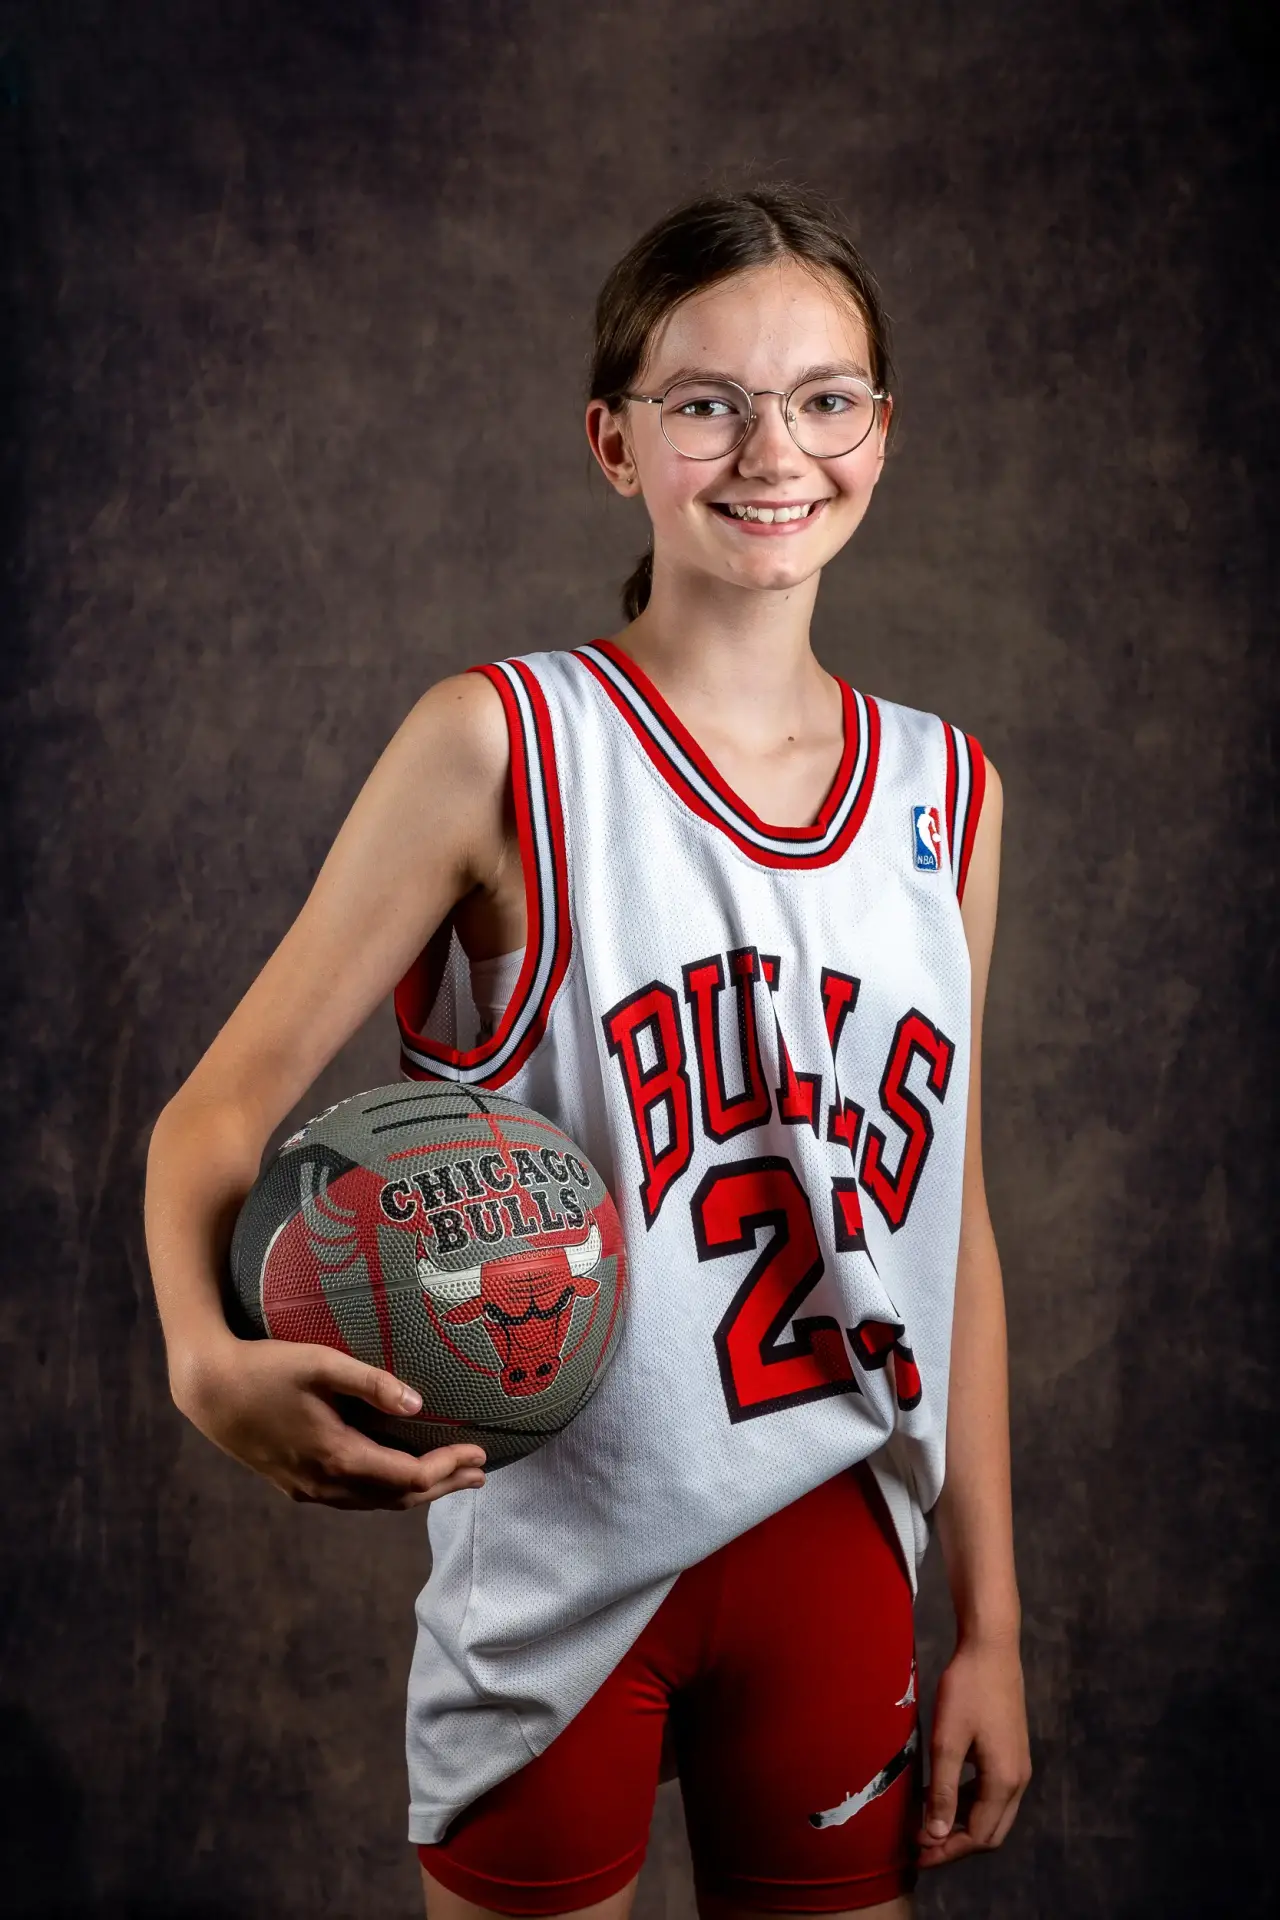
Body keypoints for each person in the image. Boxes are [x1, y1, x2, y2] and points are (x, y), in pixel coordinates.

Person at [144, 184, 1032, 1920]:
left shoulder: (953, 793)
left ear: (882, 430)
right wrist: (202, 1355)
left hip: (842, 1547)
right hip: (554, 1562)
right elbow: (215, 1115)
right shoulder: (504, 743)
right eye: (706, 401)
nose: (774, 449)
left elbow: (955, 1230)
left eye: (825, 397)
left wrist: (993, 1622)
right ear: (616, 441)